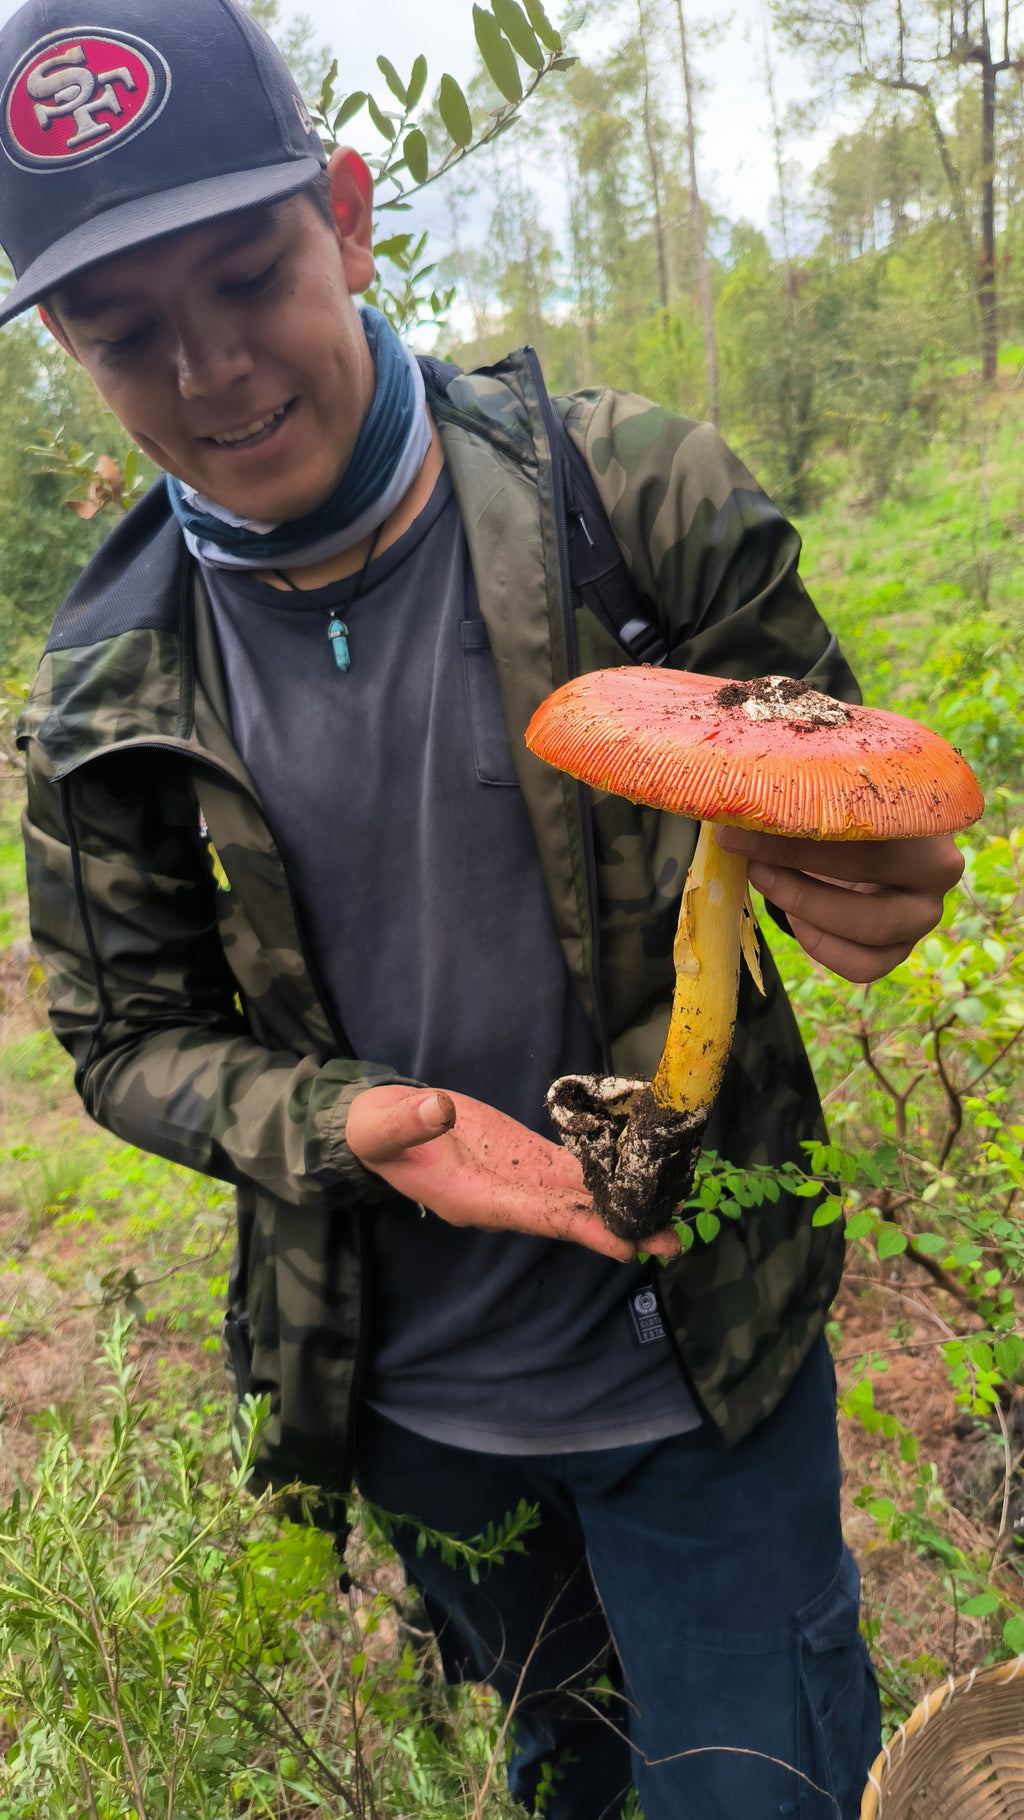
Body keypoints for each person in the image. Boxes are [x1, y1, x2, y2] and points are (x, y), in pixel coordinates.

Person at [0, 2, 963, 1815]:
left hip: (706, 1358)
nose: (210, 370)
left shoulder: (630, 496)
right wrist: (357, 1125)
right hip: (410, 1393)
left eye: (249, 274)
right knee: (564, 1772)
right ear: (70, 347)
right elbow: (125, 1043)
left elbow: (837, 768)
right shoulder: (104, 684)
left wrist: (881, 878)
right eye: (129, 335)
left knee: (760, 1782)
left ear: (348, 218)